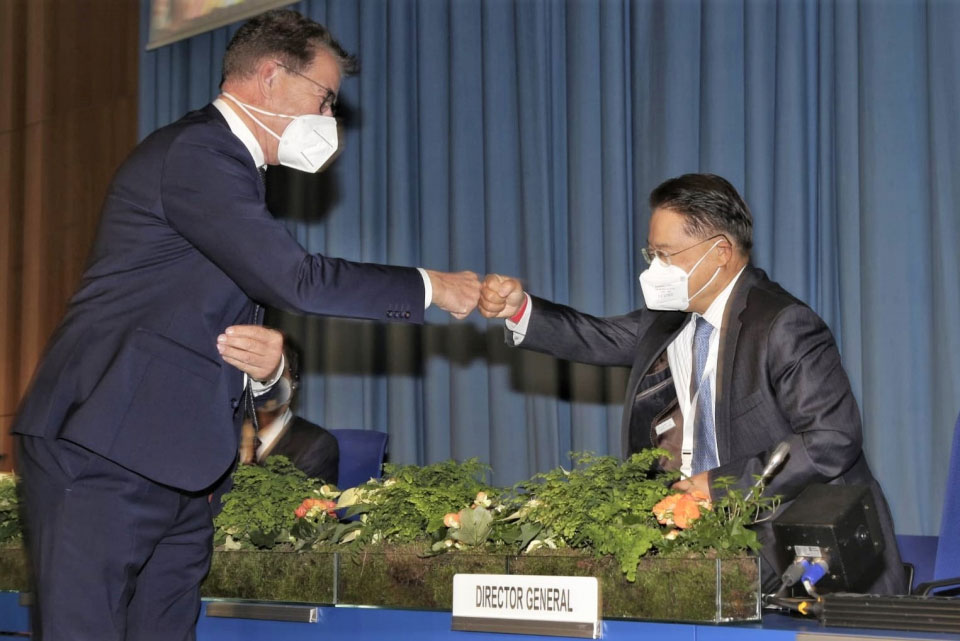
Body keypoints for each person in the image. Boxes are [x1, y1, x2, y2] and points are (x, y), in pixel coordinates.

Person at [12, 9, 480, 640]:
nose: (329, 120)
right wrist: (430, 286)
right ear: (268, 78)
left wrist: (269, 373)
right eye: (324, 98)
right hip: (107, 447)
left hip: (176, 462)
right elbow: (296, 279)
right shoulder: (199, 152)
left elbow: (202, 325)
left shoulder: (230, 173)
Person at [478, 173, 905, 595]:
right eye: (651, 253)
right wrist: (519, 311)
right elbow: (596, 337)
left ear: (719, 252)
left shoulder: (782, 324)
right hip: (708, 540)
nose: (654, 268)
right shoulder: (671, 319)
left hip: (801, 548)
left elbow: (832, 438)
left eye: (666, 255)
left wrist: (719, 484)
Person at [240, 341, 340, 485]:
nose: (265, 382)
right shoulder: (226, 436)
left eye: (277, 371)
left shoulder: (317, 445)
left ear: (293, 382)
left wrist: (248, 459)